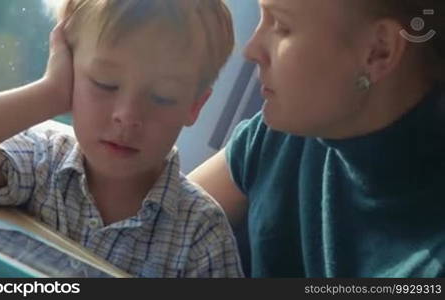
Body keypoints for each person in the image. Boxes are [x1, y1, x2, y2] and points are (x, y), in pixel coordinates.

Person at [0, 0, 244, 278]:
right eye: (105, 83)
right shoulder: (42, 161)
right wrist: (49, 94)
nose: (127, 116)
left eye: (162, 96)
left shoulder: (202, 235)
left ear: (194, 106)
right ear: (70, 74)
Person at [189, 0, 445, 277]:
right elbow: (159, 226)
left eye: (282, 27)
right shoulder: (291, 131)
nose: (251, 50)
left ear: (378, 51)